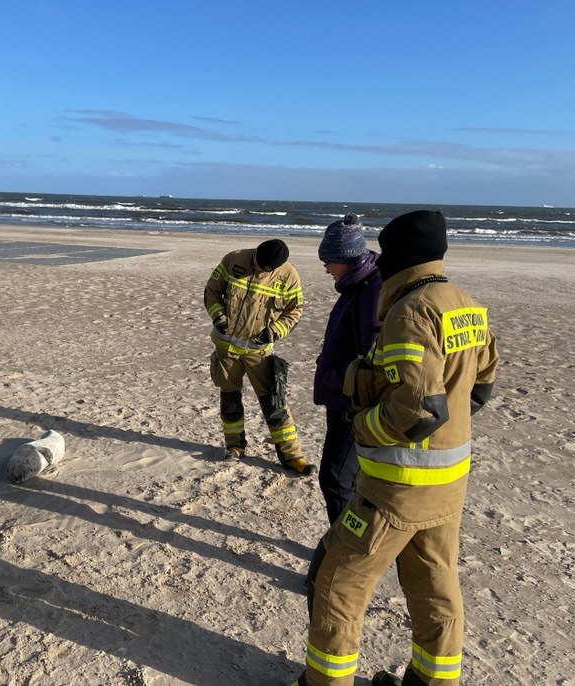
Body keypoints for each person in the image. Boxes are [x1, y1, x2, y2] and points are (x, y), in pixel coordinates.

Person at [293, 210, 499, 686]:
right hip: (449, 486)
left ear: (399, 256)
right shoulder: (464, 303)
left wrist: (363, 424)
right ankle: (432, 681)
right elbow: (483, 383)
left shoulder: (410, 311)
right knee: (435, 590)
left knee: (336, 585)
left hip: (398, 488)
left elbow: (418, 412)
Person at [204, 238, 313, 475]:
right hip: (226, 350)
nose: (256, 268)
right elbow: (212, 291)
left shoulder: (289, 276)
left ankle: (292, 456)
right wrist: (218, 317)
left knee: (275, 404)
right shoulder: (234, 259)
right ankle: (234, 447)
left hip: (259, 353)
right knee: (230, 401)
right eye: (255, 263)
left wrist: (275, 332)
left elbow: (295, 310)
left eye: (262, 268)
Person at [313, 213, 382, 525]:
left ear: (347, 257)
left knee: (335, 478)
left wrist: (338, 378)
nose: (326, 268)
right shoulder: (357, 285)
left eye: (329, 260)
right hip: (343, 396)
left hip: (353, 401)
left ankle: (346, 550)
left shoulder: (372, 290)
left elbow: (376, 352)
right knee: (346, 477)